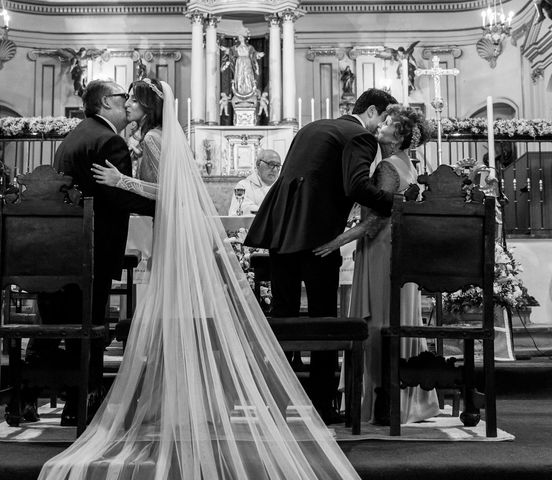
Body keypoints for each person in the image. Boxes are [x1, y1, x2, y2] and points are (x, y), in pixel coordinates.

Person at [38, 80, 361, 480]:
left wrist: (123, 182)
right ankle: (171, 397)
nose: (130, 107)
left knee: (164, 310)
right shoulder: (134, 139)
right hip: (112, 239)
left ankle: (169, 398)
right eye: (126, 101)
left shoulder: (138, 139)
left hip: (101, 240)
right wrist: (125, 185)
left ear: (149, 107)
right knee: (159, 310)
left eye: (135, 101)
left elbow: (171, 190)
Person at [244, 88, 398, 424]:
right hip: (316, 238)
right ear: (371, 111)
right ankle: (321, 406)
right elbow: (356, 186)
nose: (383, 127)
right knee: (323, 322)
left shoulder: (311, 127)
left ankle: (277, 400)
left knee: (283, 317)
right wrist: (396, 203)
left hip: (280, 232)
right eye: (385, 118)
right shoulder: (360, 137)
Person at [25, 79, 156, 426]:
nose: (126, 102)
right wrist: (168, 204)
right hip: (93, 250)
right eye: (120, 97)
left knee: (58, 323)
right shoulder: (109, 140)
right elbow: (117, 197)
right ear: (103, 104)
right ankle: (85, 401)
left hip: (63, 248)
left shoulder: (77, 134)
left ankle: (32, 400)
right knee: (91, 325)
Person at [313, 105, 440, 425]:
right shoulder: (408, 165)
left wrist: (333, 243)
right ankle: (406, 400)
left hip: (381, 253)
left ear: (397, 137)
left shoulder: (386, 168)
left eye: (387, 123)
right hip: (400, 252)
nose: (380, 125)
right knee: (399, 318)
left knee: (377, 324)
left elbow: (372, 223)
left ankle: (378, 402)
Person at [228, 149, 281, 216]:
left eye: (278, 165)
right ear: (258, 164)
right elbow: (242, 209)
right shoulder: (243, 186)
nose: (275, 169)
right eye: (271, 164)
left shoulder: (282, 187)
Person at [220, 32, 265, 99]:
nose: (239, 38)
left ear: (244, 38)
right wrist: (225, 48)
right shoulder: (235, 47)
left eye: (241, 37)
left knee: (248, 75)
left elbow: (254, 53)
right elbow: (230, 51)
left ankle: (248, 90)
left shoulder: (250, 47)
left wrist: (259, 54)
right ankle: (240, 90)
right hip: (239, 63)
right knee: (240, 76)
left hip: (247, 62)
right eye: (239, 37)